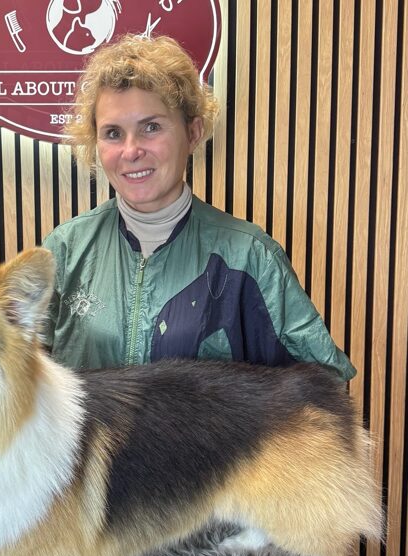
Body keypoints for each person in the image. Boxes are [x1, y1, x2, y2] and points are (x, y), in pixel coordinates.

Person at [42, 34, 355, 380]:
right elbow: (20, 376)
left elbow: (323, 384)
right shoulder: (66, 249)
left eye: (151, 127)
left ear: (192, 133)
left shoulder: (248, 256)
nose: (131, 151)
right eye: (113, 133)